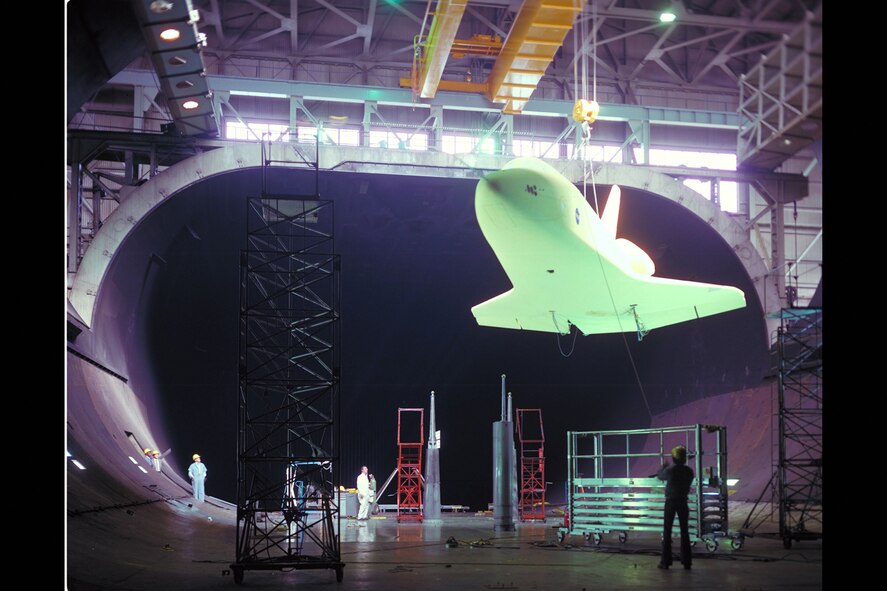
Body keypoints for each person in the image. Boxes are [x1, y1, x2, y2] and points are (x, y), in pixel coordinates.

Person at [656, 445, 694, 570]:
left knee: (667, 531)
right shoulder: (689, 471)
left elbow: (660, 476)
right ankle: (686, 561)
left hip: (671, 502)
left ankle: (666, 562)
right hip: (683, 502)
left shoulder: (670, 470)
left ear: (673, 458)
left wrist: (664, 467)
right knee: (685, 531)